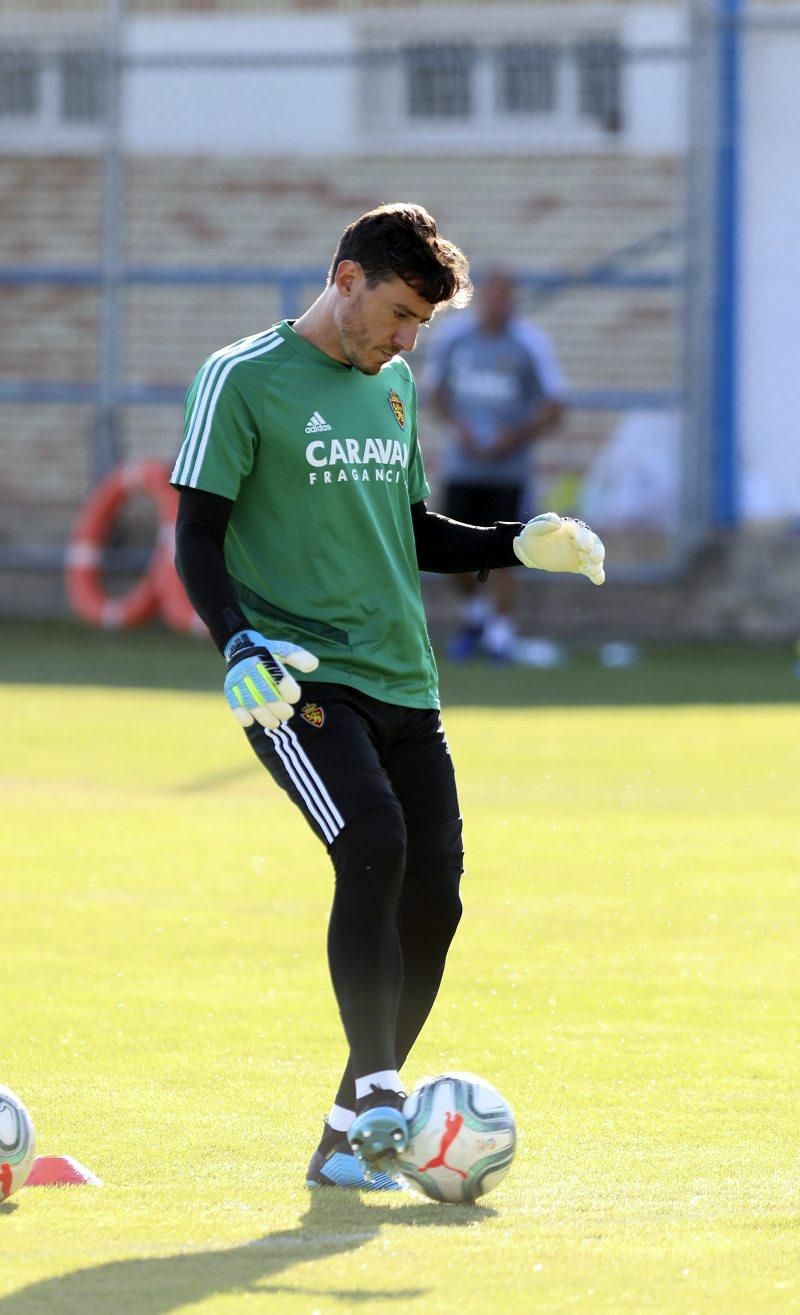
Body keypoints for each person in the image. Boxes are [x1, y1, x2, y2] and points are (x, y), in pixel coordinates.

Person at [171, 203, 605, 1191]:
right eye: (401, 313)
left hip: (406, 676)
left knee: (435, 898)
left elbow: (406, 527)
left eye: (421, 324)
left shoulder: (396, 385)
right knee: (369, 840)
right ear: (347, 278)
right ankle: (380, 1097)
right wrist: (234, 639)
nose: (408, 339)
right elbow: (194, 534)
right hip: (295, 678)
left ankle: (344, 1133)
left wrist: (512, 543)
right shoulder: (240, 378)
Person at [425, 270, 568, 662]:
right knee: (448, 552)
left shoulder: (529, 344)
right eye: (491, 296)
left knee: (510, 552)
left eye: (505, 297)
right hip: (463, 468)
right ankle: (477, 617)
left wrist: (516, 435)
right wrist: (460, 428)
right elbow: (435, 392)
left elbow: (554, 403)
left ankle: (501, 637)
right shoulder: (455, 340)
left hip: (509, 472)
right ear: (480, 298)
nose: (497, 304)